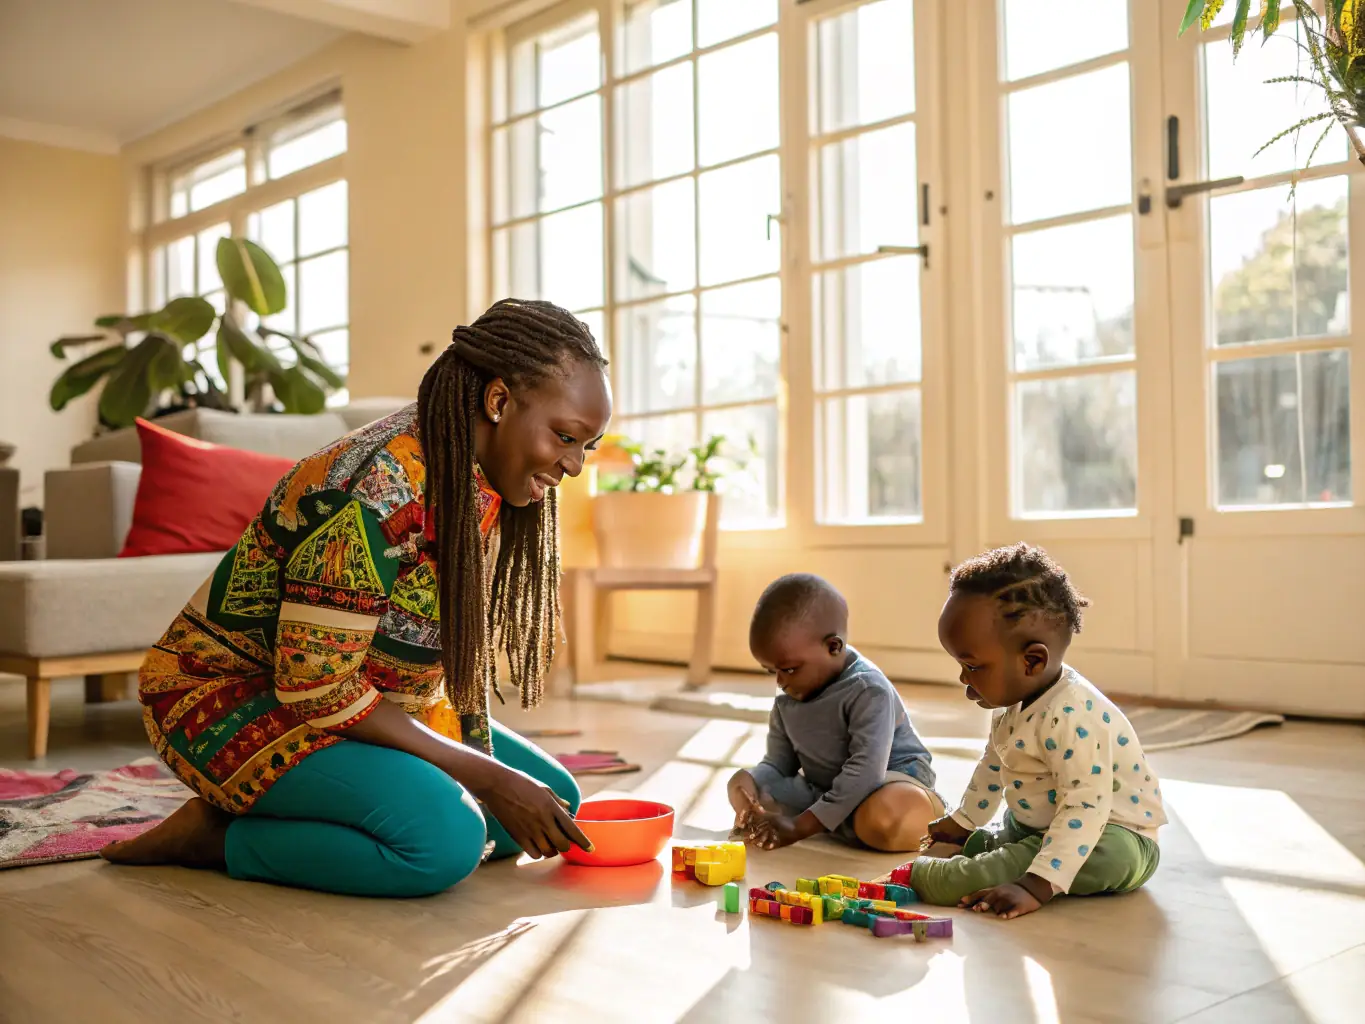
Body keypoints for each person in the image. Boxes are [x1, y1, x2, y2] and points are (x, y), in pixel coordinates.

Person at [102, 299, 613, 898]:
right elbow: (314, 683)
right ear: (498, 402)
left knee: (552, 807)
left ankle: (313, 811)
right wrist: (482, 773)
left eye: (588, 447)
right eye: (566, 437)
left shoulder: (476, 472)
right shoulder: (370, 491)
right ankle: (214, 839)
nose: (575, 465)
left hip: (364, 700)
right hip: (231, 695)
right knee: (442, 841)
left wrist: (490, 772)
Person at [903, 543, 1165, 920]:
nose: (962, 677)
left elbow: (1086, 807)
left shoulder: (1072, 717)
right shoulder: (1015, 700)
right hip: (1042, 822)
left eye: (972, 666)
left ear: (1032, 661)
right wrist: (964, 823)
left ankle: (954, 876)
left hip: (1115, 834)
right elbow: (994, 766)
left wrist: (1035, 886)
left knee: (1104, 856)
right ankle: (1002, 847)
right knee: (1010, 833)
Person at [726, 573, 941, 852]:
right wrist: (750, 790)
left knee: (886, 817)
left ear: (833, 647)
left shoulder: (867, 689)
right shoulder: (788, 698)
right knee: (745, 785)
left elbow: (866, 772)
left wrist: (799, 827)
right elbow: (779, 764)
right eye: (772, 671)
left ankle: (923, 816)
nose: (780, 681)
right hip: (825, 789)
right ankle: (834, 820)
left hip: (887, 781)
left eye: (789, 669)